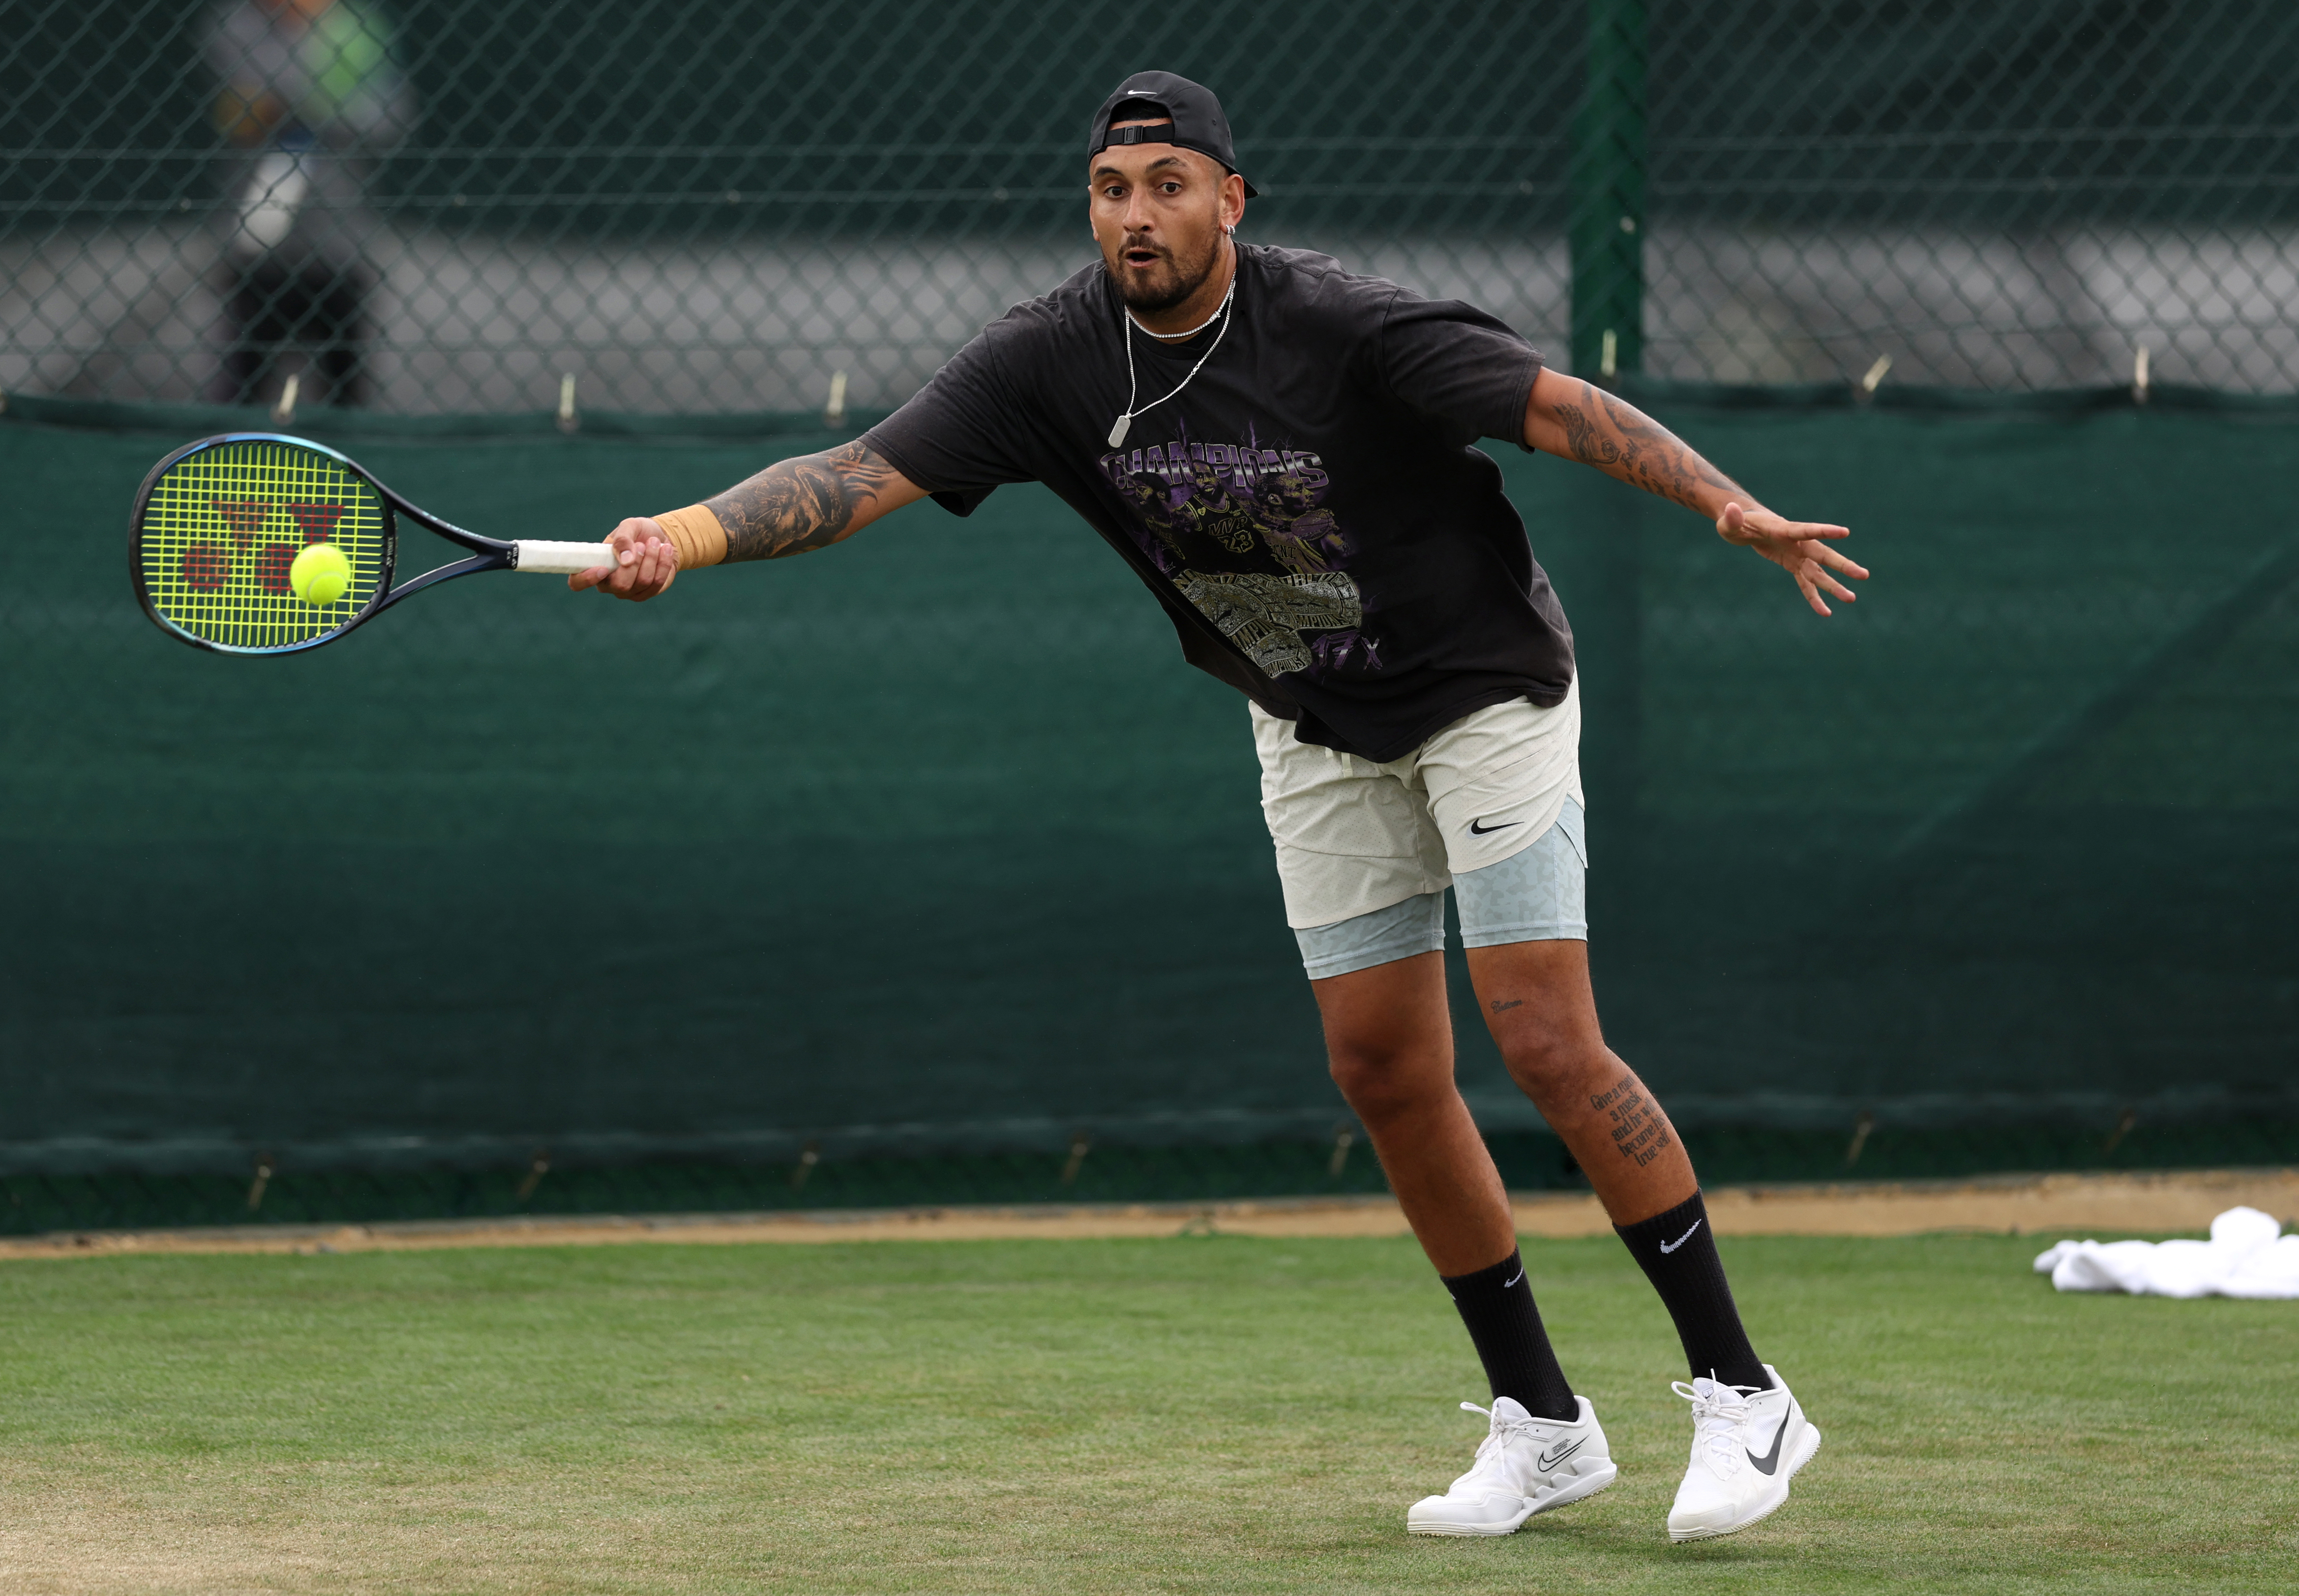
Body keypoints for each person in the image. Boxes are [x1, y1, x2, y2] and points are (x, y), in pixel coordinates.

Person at [571, 72, 1867, 1544]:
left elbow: (1556, 410)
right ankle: (1544, 1423)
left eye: (1168, 185)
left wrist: (1724, 505)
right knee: (1380, 1067)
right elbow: (858, 473)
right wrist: (674, 534)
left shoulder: (1341, 325)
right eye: (1113, 190)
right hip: (1309, 715)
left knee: (1541, 1035)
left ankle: (1738, 1386)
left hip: (1482, 689)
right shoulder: (1044, 360)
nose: (1138, 215)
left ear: (1229, 202)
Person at [202, 0, 413, 408]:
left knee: (345, 382)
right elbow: (251, 97)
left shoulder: (356, 33)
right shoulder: (238, 25)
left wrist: (310, 104)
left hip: (337, 241)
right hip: (261, 243)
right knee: (245, 378)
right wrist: (317, 87)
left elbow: (391, 118)